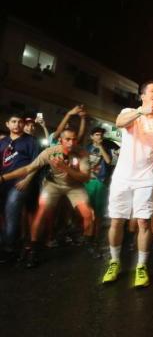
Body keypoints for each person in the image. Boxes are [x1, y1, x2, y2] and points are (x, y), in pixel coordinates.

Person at [101, 81, 153, 288]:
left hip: (147, 177)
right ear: (142, 95)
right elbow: (119, 122)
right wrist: (141, 111)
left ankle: (141, 266)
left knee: (143, 222)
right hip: (123, 176)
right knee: (116, 221)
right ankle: (114, 262)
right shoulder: (131, 111)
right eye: (152, 91)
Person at [0, 128, 94, 267]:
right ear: (61, 140)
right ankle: (33, 249)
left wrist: (65, 168)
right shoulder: (50, 152)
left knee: (88, 214)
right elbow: (28, 168)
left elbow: (85, 178)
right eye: (67, 139)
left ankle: (89, 243)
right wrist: (3, 178)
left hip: (75, 186)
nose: (71, 142)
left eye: (74, 139)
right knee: (42, 212)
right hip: (53, 185)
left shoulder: (82, 153)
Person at [0, 114, 40, 262]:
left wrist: (27, 180)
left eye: (20, 122)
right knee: (5, 217)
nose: (17, 124)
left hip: (21, 184)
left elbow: (37, 164)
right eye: (13, 121)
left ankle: (8, 248)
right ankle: (9, 243)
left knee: (12, 214)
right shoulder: (3, 142)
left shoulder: (31, 141)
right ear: (7, 124)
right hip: (3, 183)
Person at [85, 127, 112, 248]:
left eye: (101, 135)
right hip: (87, 182)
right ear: (91, 136)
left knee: (99, 213)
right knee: (87, 211)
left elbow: (108, 161)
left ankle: (95, 237)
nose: (99, 137)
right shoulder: (87, 148)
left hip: (101, 182)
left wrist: (101, 147)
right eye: (96, 135)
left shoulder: (105, 148)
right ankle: (87, 235)